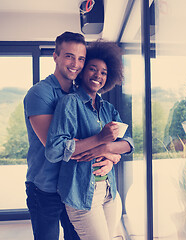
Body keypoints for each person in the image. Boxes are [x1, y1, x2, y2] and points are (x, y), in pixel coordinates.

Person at [23, 32, 115, 240]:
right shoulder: (40, 93)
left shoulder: (82, 94)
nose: (75, 64)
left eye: (81, 58)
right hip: (45, 187)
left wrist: (111, 157)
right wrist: (101, 145)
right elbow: (56, 148)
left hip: (74, 186)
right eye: (69, 56)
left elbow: (87, 140)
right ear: (55, 56)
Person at [45, 40, 134, 240]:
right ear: (83, 71)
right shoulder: (70, 103)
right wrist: (99, 138)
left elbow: (128, 143)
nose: (98, 75)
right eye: (93, 69)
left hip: (109, 192)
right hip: (82, 195)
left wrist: (106, 151)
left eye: (103, 72)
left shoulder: (108, 108)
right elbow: (54, 150)